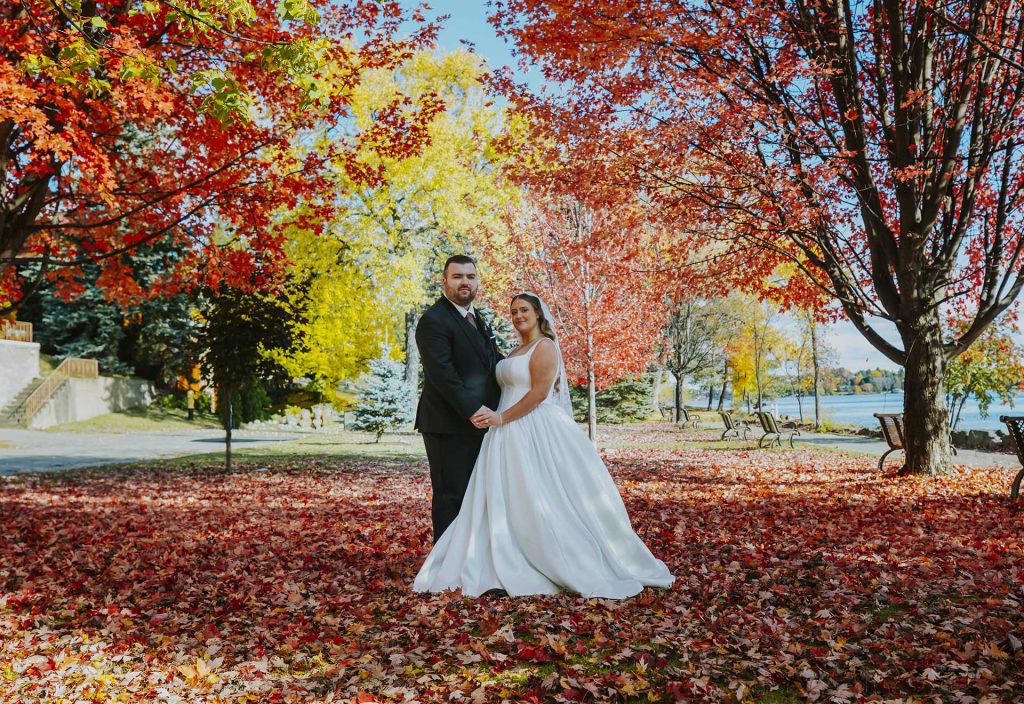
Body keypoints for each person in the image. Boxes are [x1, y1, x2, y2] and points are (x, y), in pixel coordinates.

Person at [414, 292, 674, 599]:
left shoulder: (545, 347)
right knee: (506, 496)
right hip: (504, 433)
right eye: (513, 311)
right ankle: (503, 555)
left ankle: (557, 556)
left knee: (542, 493)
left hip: (532, 427)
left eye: (524, 309)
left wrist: (501, 418)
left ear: (538, 313)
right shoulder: (512, 351)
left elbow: (538, 395)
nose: (518, 315)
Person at [415, 255, 503, 543]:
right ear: (444, 281)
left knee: (477, 493)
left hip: (481, 422)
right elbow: (443, 375)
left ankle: (471, 559)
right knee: (451, 495)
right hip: (447, 425)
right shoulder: (433, 321)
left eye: (470, 276)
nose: (465, 282)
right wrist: (474, 410)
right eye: (457, 276)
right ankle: (445, 566)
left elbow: (491, 363)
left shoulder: (477, 318)